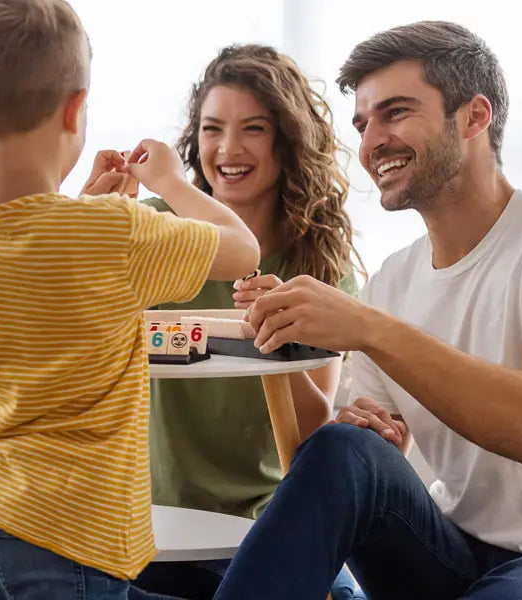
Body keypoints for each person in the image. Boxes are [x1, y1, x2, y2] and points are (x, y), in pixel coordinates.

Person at [214, 20, 522, 600]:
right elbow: (366, 452)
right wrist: (365, 428)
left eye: (397, 112)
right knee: (342, 450)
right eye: (363, 124)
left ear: (474, 118)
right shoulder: (394, 281)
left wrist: (369, 329)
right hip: (450, 563)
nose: (372, 141)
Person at [0, 1, 261, 597]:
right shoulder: (115, 234)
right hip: (66, 530)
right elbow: (242, 248)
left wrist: (86, 206)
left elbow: (29, 269)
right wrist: (171, 184)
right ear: (76, 107)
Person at [107, 44, 367, 600]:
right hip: (150, 522)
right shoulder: (155, 232)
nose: (228, 149)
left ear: (286, 141)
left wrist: (272, 338)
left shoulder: (318, 262)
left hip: (261, 527)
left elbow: (316, 433)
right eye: (211, 128)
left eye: (253, 128)